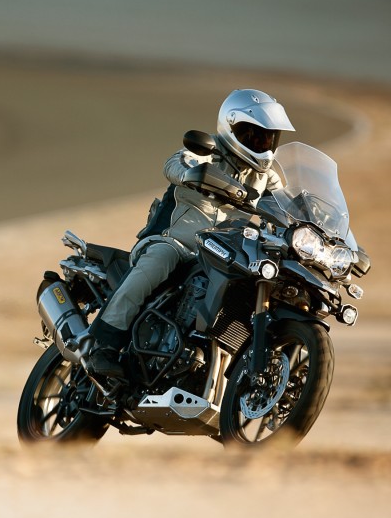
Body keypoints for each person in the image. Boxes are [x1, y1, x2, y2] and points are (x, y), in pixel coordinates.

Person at [86, 89, 295, 379]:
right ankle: (103, 345)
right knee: (159, 260)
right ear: (232, 128)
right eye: (254, 136)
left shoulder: (266, 177)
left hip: (222, 254)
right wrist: (192, 175)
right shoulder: (206, 151)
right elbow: (175, 164)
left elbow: (288, 207)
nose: (262, 144)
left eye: (268, 138)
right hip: (175, 242)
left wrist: (311, 225)